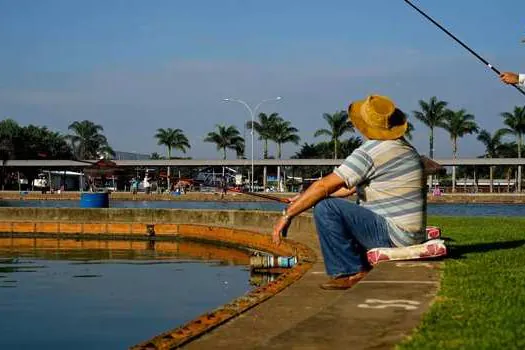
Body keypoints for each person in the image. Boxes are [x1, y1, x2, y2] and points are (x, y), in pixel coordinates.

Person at [272, 95, 426, 290]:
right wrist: (303, 199)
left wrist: (287, 215)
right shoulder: (405, 148)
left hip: (393, 235)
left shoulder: (371, 152)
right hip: (410, 235)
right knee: (325, 202)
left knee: (326, 208)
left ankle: (351, 271)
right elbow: (348, 188)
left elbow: (324, 186)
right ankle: (354, 265)